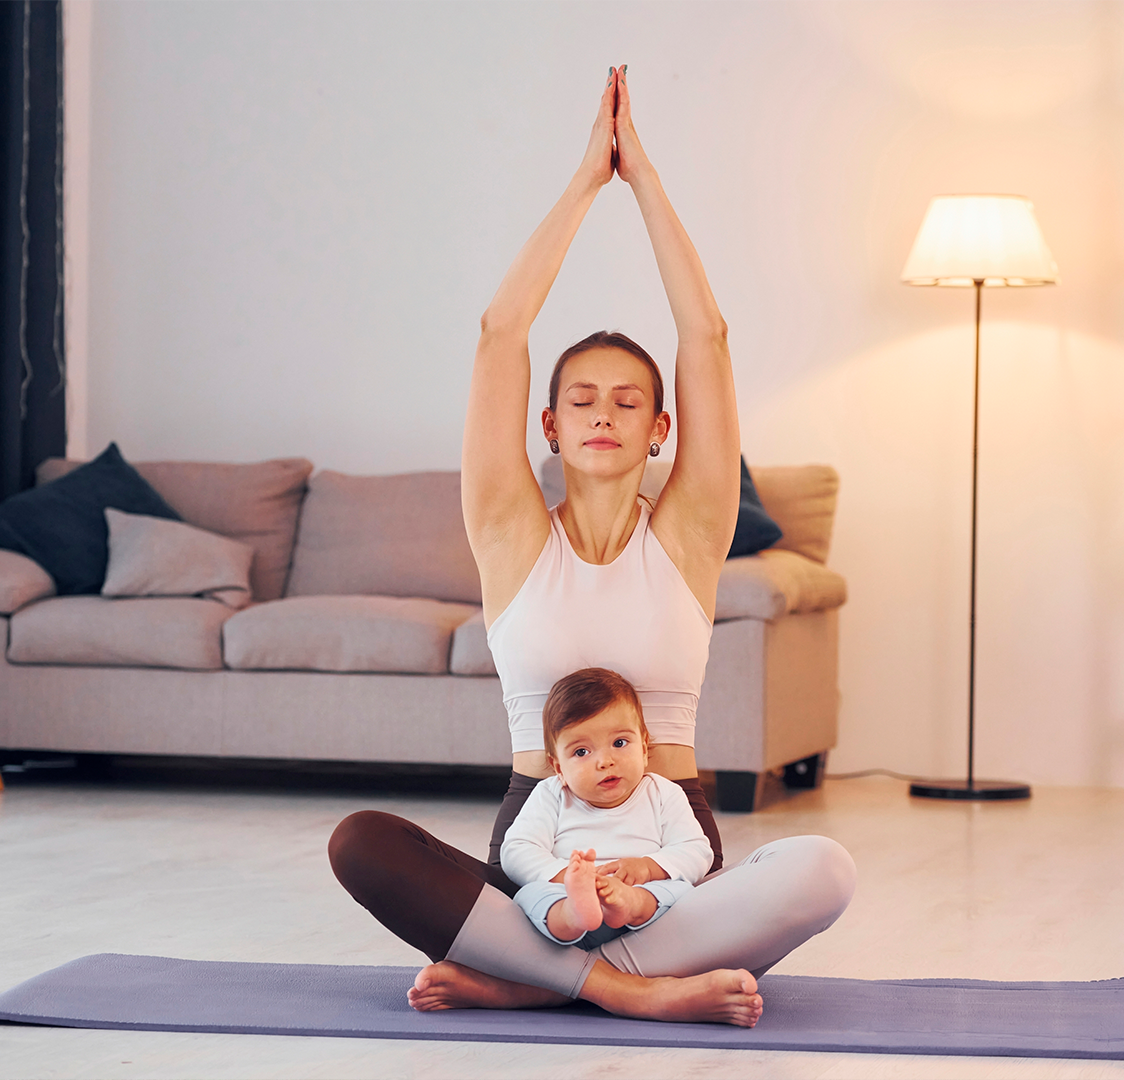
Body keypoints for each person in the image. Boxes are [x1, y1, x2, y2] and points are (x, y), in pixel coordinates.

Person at [327, 65, 855, 1029]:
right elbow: (500, 333)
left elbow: (709, 338)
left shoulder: (693, 533)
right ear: (549, 426)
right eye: (582, 399)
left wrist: (643, 179)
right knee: (362, 841)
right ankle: (626, 989)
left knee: (823, 869)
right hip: (543, 847)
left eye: (628, 401)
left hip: (668, 840)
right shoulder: (509, 532)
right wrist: (584, 182)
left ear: (662, 430)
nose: (604, 413)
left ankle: (527, 981)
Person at [504, 668, 712, 949]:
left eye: (619, 743)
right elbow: (517, 849)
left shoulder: (663, 793)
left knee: (682, 891)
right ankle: (572, 915)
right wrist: (565, 876)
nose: (605, 761)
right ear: (558, 768)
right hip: (567, 895)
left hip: (643, 908)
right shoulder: (551, 795)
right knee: (528, 895)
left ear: (643, 747)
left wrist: (649, 867)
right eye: (581, 752)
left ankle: (631, 904)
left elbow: (696, 850)